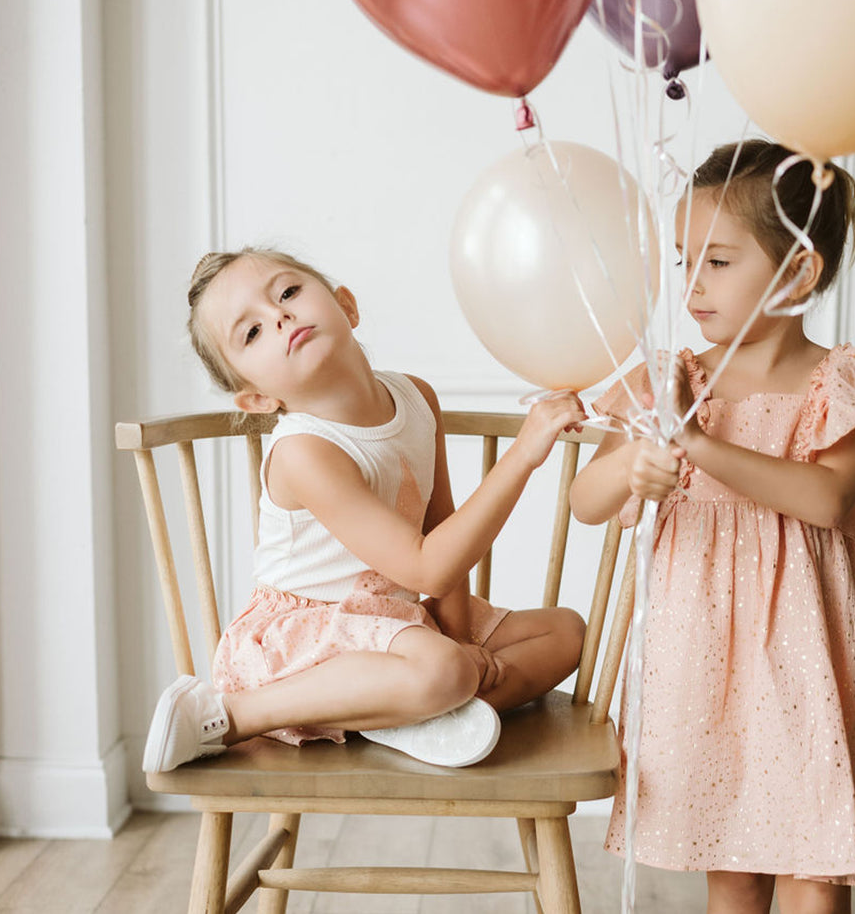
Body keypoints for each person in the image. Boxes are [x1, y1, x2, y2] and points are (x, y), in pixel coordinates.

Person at [570, 140, 855, 914]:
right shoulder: (673, 376)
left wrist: (698, 443)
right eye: (684, 261)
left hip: (807, 648)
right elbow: (587, 499)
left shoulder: (844, 380)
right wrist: (632, 467)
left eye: (718, 261)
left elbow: (824, 501)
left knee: (814, 856)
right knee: (734, 857)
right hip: (701, 645)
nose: (692, 285)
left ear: (799, 272)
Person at [143, 247, 587, 773]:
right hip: (309, 640)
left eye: (287, 293)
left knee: (565, 633)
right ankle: (234, 714)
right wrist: (523, 455)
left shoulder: (416, 396)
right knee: (445, 671)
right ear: (257, 399)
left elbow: (441, 530)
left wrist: (462, 637)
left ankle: (413, 715)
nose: (280, 316)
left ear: (346, 307)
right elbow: (426, 565)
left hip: (396, 620)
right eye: (253, 332)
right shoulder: (305, 450)